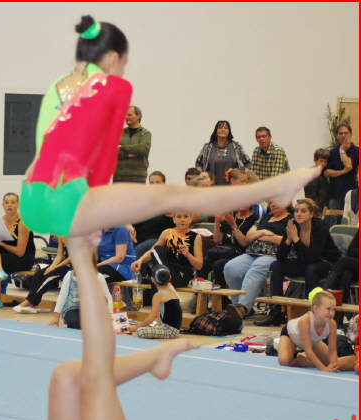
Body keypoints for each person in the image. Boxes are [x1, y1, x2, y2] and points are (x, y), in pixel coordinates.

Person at [19, 15, 320, 281]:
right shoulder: (113, 89)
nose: (123, 69)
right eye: (124, 62)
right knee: (173, 195)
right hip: (64, 192)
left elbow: (58, 143)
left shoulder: (63, 84)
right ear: (112, 57)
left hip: (38, 194)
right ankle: (270, 189)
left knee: (90, 271)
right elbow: (104, 154)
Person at [48, 233, 200, 420]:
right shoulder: (167, 291)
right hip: (84, 311)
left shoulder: (99, 278)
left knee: (66, 375)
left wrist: (113, 319)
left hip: (153, 326)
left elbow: (110, 300)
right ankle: (152, 358)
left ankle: (153, 358)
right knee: (71, 375)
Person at [256, 198, 340, 326]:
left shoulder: (320, 227)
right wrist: (288, 240)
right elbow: (280, 257)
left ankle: (313, 314)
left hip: (326, 263)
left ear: (311, 214)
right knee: (276, 266)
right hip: (305, 262)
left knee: (311, 269)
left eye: (303, 211)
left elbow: (313, 258)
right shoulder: (292, 225)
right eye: (296, 211)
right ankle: (276, 313)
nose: (299, 214)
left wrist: (296, 239)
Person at [223, 203, 292, 320]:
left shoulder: (291, 220)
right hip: (252, 253)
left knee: (256, 269)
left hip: (273, 254)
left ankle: (242, 307)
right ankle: (238, 307)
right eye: (271, 202)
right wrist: (264, 232)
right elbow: (248, 237)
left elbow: (286, 240)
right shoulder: (265, 217)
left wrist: (260, 235)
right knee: (231, 268)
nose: (273, 204)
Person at [277, 288, 356, 372]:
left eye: (333, 309)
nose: (331, 313)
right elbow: (308, 350)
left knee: (335, 363)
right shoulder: (306, 321)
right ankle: (299, 360)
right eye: (328, 309)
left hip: (312, 341)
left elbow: (332, 350)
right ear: (315, 309)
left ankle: (355, 359)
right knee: (285, 361)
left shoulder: (332, 324)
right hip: (290, 336)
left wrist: (333, 365)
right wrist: (324, 368)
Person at [0, 193, 35, 309]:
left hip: (23, 258)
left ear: (18, 205)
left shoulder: (23, 223)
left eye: (12, 202)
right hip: (9, 254)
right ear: (3, 205)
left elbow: (20, 252)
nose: (9, 205)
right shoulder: (1, 220)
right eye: (6, 202)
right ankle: (0, 271)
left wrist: (0, 243)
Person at [131, 212, 203, 288]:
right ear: (174, 219)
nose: (182, 220)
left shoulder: (196, 237)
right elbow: (153, 251)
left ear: (190, 219)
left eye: (186, 217)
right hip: (166, 269)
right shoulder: (166, 233)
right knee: (157, 249)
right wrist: (140, 261)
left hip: (182, 274)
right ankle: (161, 274)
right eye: (179, 217)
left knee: (157, 258)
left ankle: (160, 274)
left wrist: (188, 254)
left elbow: (199, 266)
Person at [13, 236, 71, 313]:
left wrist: (56, 267)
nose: (53, 238)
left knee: (49, 277)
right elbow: (59, 256)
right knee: (39, 274)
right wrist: (51, 267)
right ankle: (32, 305)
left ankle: (28, 302)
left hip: (75, 266)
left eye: (54, 235)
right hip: (64, 264)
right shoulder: (61, 237)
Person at [128, 264, 182, 339]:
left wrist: (136, 328)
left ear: (152, 279)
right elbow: (159, 313)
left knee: (140, 331)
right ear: (170, 278)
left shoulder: (158, 295)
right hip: (171, 328)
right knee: (148, 325)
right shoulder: (171, 289)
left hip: (170, 331)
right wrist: (159, 325)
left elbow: (151, 318)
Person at [195, 120, 251, 185]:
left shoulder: (236, 147)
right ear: (216, 131)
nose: (223, 130)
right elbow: (198, 162)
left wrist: (242, 174)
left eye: (225, 128)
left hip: (233, 186)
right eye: (220, 128)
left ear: (229, 132)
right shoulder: (208, 147)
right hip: (211, 186)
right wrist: (202, 174)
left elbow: (248, 162)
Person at [113, 105, 152, 183]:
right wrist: (128, 154)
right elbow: (112, 151)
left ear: (138, 116)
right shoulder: (118, 133)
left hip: (138, 177)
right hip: (119, 176)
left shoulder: (145, 133)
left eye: (129, 115)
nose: (126, 117)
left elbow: (143, 149)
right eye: (125, 115)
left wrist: (122, 147)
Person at [324, 124, 359, 210]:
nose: (343, 135)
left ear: (351, 134)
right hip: (335, 195)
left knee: (351, 218)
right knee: (333, 217)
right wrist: (343, 171)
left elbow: (349, 166)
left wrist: (342, 151)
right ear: (337, 136)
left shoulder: (357, 151)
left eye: (346, 133)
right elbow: (326, 173)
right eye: (341, 133)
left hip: (352, 195)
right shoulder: (332, 152)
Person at [304, 148, 330, 214]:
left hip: (324, 207)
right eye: (321, 161)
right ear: (315, 160)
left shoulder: (325, 173)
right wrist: (315, 208)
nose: (323, 164)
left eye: (325, 162)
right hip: (314, 208)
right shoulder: (310, 174)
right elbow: (309, 194)